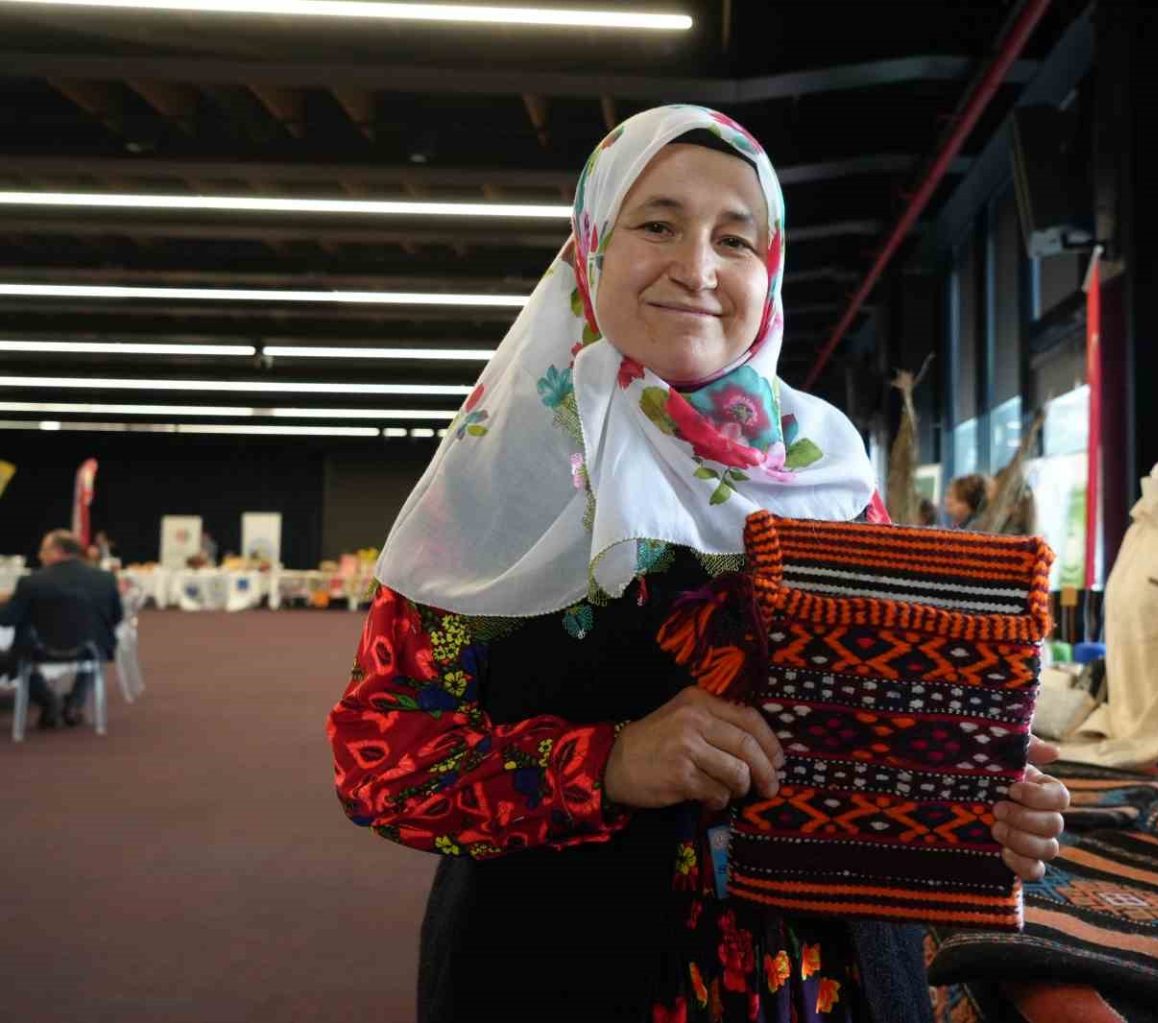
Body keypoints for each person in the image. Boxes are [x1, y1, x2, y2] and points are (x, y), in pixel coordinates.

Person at [327, 106, 1069, 1022]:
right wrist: (605, 763)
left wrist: (979, 806)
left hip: (831, 985)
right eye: (657, 225)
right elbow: (380, 761)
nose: (699, 267)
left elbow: (880, 738)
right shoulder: (495, 480)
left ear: (772, 266)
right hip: (556, 969)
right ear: (593, 247)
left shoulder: (829, 473)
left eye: (735, 238)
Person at [0, 529, 123, 728]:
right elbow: (116, 617)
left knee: (12, 657)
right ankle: (75, 704)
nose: (40, 555)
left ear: (57, 551)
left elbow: (7, 620)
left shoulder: (31, 582)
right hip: (90, 649)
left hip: (39, 650)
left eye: (43, 550)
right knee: (95, 646)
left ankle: (49, 702)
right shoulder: (105, 580)